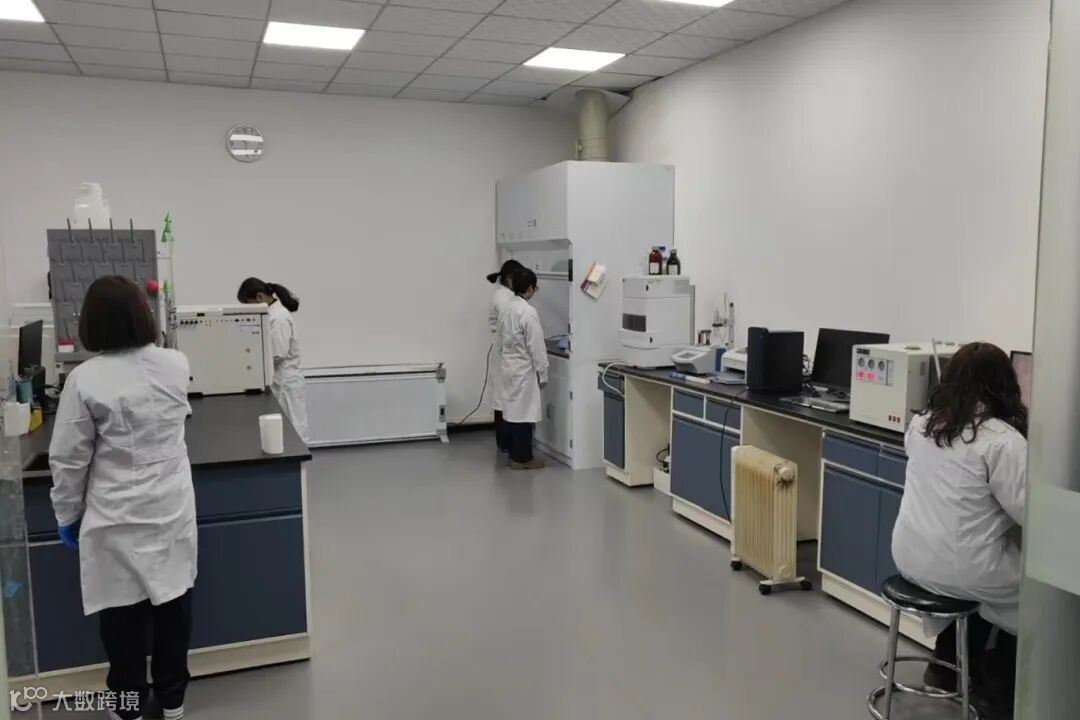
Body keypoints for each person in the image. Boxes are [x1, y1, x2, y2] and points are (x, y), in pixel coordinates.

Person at [50, 276, 195, 720]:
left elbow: (69, 459)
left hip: (117, 514)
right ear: (141, 315)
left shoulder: (84, 379)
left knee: (122, 619)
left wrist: (66, 514)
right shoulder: (176, 363)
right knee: (174, 607)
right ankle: (172, 701)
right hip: (170, 508)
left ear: (92, 323)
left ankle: (127, 706)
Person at [891, 342, 1027, 718]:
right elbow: (1029, 511)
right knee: (1036, 598)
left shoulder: (922, 424)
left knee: (975, 586)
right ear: (1004, 385)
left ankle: (945, 666)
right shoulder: (1002, 441)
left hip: (910, 558)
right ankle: (997, 690)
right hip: (962, 569)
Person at [237, 278, 309, 444]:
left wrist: (251, 365)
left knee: (294, 428)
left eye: (248, 303)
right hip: (279, 382)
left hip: (286, 383)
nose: (248, 309)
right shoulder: (270, 316)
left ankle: (300, 460)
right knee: (283, 429)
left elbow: (278, 355)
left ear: (260, 297)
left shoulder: (279, 318)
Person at [495, 268, 549, 470]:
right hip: (523, 369)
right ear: (530, 288)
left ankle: (512, 452)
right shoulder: (528, 312)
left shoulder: (508, 308)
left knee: (511, 412)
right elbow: (537, 346)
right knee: (524, 415)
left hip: (509, 367)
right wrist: (543, 373)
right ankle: (523, 458)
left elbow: (499, 339)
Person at [487, 260, 525, 453]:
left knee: (502, 398)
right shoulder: (505, 299)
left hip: (503, 351)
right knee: (504, 399)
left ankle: (505, 443)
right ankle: (507, 443)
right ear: (510, 278)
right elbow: (508, 326)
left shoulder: (503, 295)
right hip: (505, 353)